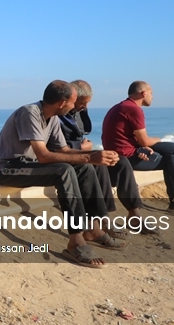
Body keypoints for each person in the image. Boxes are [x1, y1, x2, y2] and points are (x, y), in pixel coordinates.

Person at [0, 81, 123, 268]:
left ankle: (93, 228)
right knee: (64, 170)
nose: (75, 106)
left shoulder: (52, 117)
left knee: (85, 167)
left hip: (29, 165)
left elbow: (64, 150)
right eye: (73, 102)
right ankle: (76, 241)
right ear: (62, 103)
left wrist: (95, 155)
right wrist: (88, 157)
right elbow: (43, 156)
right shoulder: (30, 113)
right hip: (7, 168)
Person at [57, 80, 157, 235]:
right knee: (98, 165)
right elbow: (55, 145)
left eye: (87, 103)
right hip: (69, 155)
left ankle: (134, 214)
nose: (85, 107)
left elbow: (82, 133)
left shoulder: (79, 111)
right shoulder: (59, 115)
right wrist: (80, 147)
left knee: (121, 162)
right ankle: (104, 219)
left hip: (80, 151)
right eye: (82, 103)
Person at [101, 81, 174, 217]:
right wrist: (157, 139)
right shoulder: (134, 109)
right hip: (125, 157)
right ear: (144, 93)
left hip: (127, 150)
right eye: (151, 93)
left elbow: (133, 138)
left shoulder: (121, 106)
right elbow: (144, 141)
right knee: (171, 159)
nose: (152, 97)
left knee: (172, 148)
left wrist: (142, 146)